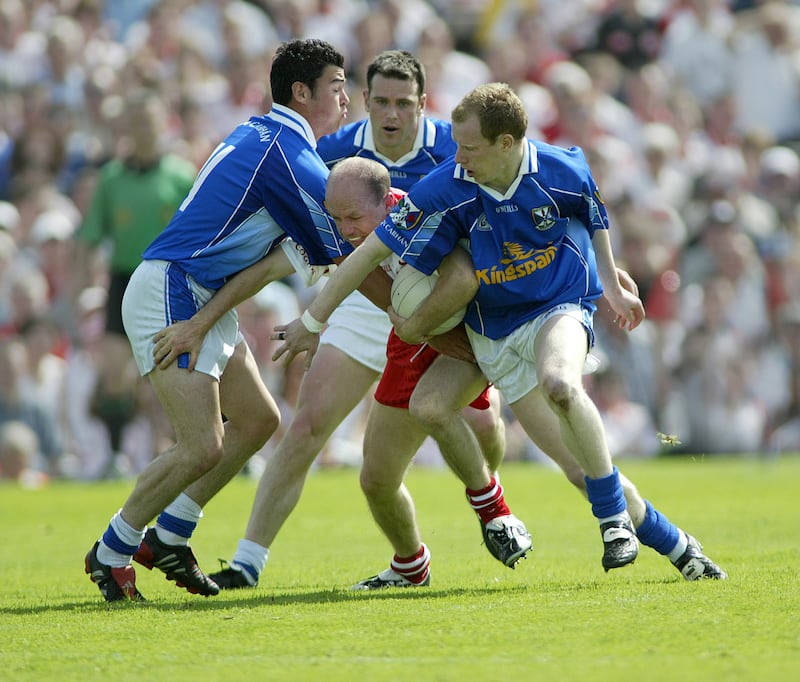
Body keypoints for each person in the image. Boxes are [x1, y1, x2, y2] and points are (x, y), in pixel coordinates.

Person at [275, 83, 727, 581]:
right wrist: (313, 321)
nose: (458, 157)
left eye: (469, 148)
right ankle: (680, 546)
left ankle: (612, 519)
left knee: (560, 383)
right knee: (550, 456)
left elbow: (592, 213)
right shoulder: (447, 185)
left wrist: (612, 283)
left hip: (558, 308)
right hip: (492, 336)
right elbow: (366, 256)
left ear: (506, 144)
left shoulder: (561, 166)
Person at [152, 51, 516, 591]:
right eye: (381, 102)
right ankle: (249, 561)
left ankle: (493, 500)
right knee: (307, 425)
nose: (391, 114)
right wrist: (316, 316)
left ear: (422, 103)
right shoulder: (333, 153)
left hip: (429, 302)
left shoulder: (455, 149)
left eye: (403, 103)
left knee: (482, 428)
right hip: (361, 300)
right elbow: (309, 245)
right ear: (367, 102)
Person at [83, 38, 368, 602]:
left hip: (197, 291)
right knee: (201, 446)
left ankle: (170, 534)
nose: (346, 97)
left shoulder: (263, 133)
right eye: (337, 85)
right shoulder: (292, 156)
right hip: (173, 287)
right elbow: (349, 244)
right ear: (301, 91)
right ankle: (112, 551)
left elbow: (281, 258)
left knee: (260, 420)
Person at [74, 89, 197, 475]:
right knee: (115, 373)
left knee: (163, 377)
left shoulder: (181, 174)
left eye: (150, 120)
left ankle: (174, 448)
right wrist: (80, 289)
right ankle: (114, 455)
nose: (143, 129)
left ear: (164, 124)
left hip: (167, 281)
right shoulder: (110, 179)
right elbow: (90, 238)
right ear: (126, 127)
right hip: (123, 279)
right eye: (136, 121)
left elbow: (199, 233)